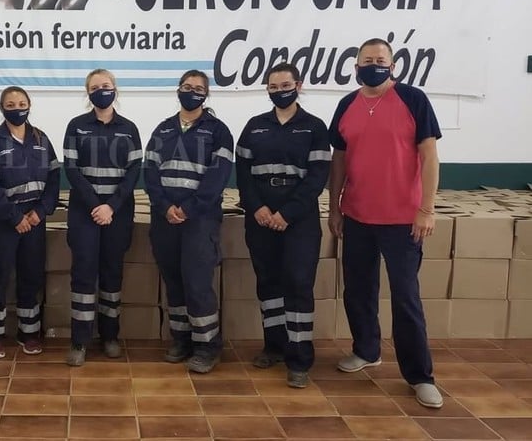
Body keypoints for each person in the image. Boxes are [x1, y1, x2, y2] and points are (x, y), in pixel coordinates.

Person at [328, 38, 443, 409]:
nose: (373, 65)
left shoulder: (413, 100)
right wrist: (334, 208)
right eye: (367, 59)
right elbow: (339, 160)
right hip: (357, 216)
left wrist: (426, 208)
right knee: (358, 290)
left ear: (393, 67)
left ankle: (420, 376)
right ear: (356, 66)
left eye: (380, 60)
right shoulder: (347, 105)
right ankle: (366, 350)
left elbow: (429, 156)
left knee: (405, 297)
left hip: (403, 221)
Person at [235, 63, 331, 388]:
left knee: (298, 284)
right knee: (268, 283)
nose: (279, 91)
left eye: (285, 85)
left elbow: (317, 178)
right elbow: (243, 173)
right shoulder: (255, 126)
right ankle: (273, 346)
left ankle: (299, 358)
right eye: (273, 87)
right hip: (260, 217)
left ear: (298, 86)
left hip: (299, 220)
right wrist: (257, 208)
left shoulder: (314, 127)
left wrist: (287, 213)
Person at [143, 70, 233, 374]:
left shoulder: (218, 131)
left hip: (200, 220)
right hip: (165, 219)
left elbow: (218, 177)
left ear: (206, 94)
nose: (191, 91)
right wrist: (165, 206)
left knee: (197, 283)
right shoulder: (163, 129)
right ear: (178, 90)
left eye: (198, 88)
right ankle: (181, 339)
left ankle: (207, 346)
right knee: (174, 281)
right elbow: (150, 172)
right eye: (186, 86)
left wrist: (189, 209)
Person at [63, 69, 143, 366]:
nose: (101, 91)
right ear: (88, 93)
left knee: (112, 272)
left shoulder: (129, 128)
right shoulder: (76, 126)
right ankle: (79, 340)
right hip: (84, 211)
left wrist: (111, 206)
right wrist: (97, 205)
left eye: (106, 85)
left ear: (115, 89)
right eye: (95, 87)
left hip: (117, 212)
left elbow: (133, 172)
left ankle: (110, 336)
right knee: (83, 273)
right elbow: (71, 169)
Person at [0, 86, 60, 359]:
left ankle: (29, 333)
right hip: (3, 220)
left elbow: (54, 179)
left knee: (31, 276)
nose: (17, 109)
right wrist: (13, 217)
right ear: (2, 108)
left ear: (29, 105)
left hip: (34, 218)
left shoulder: (41, 138)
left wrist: (41, 211)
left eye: (22, 104)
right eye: (10, 105)